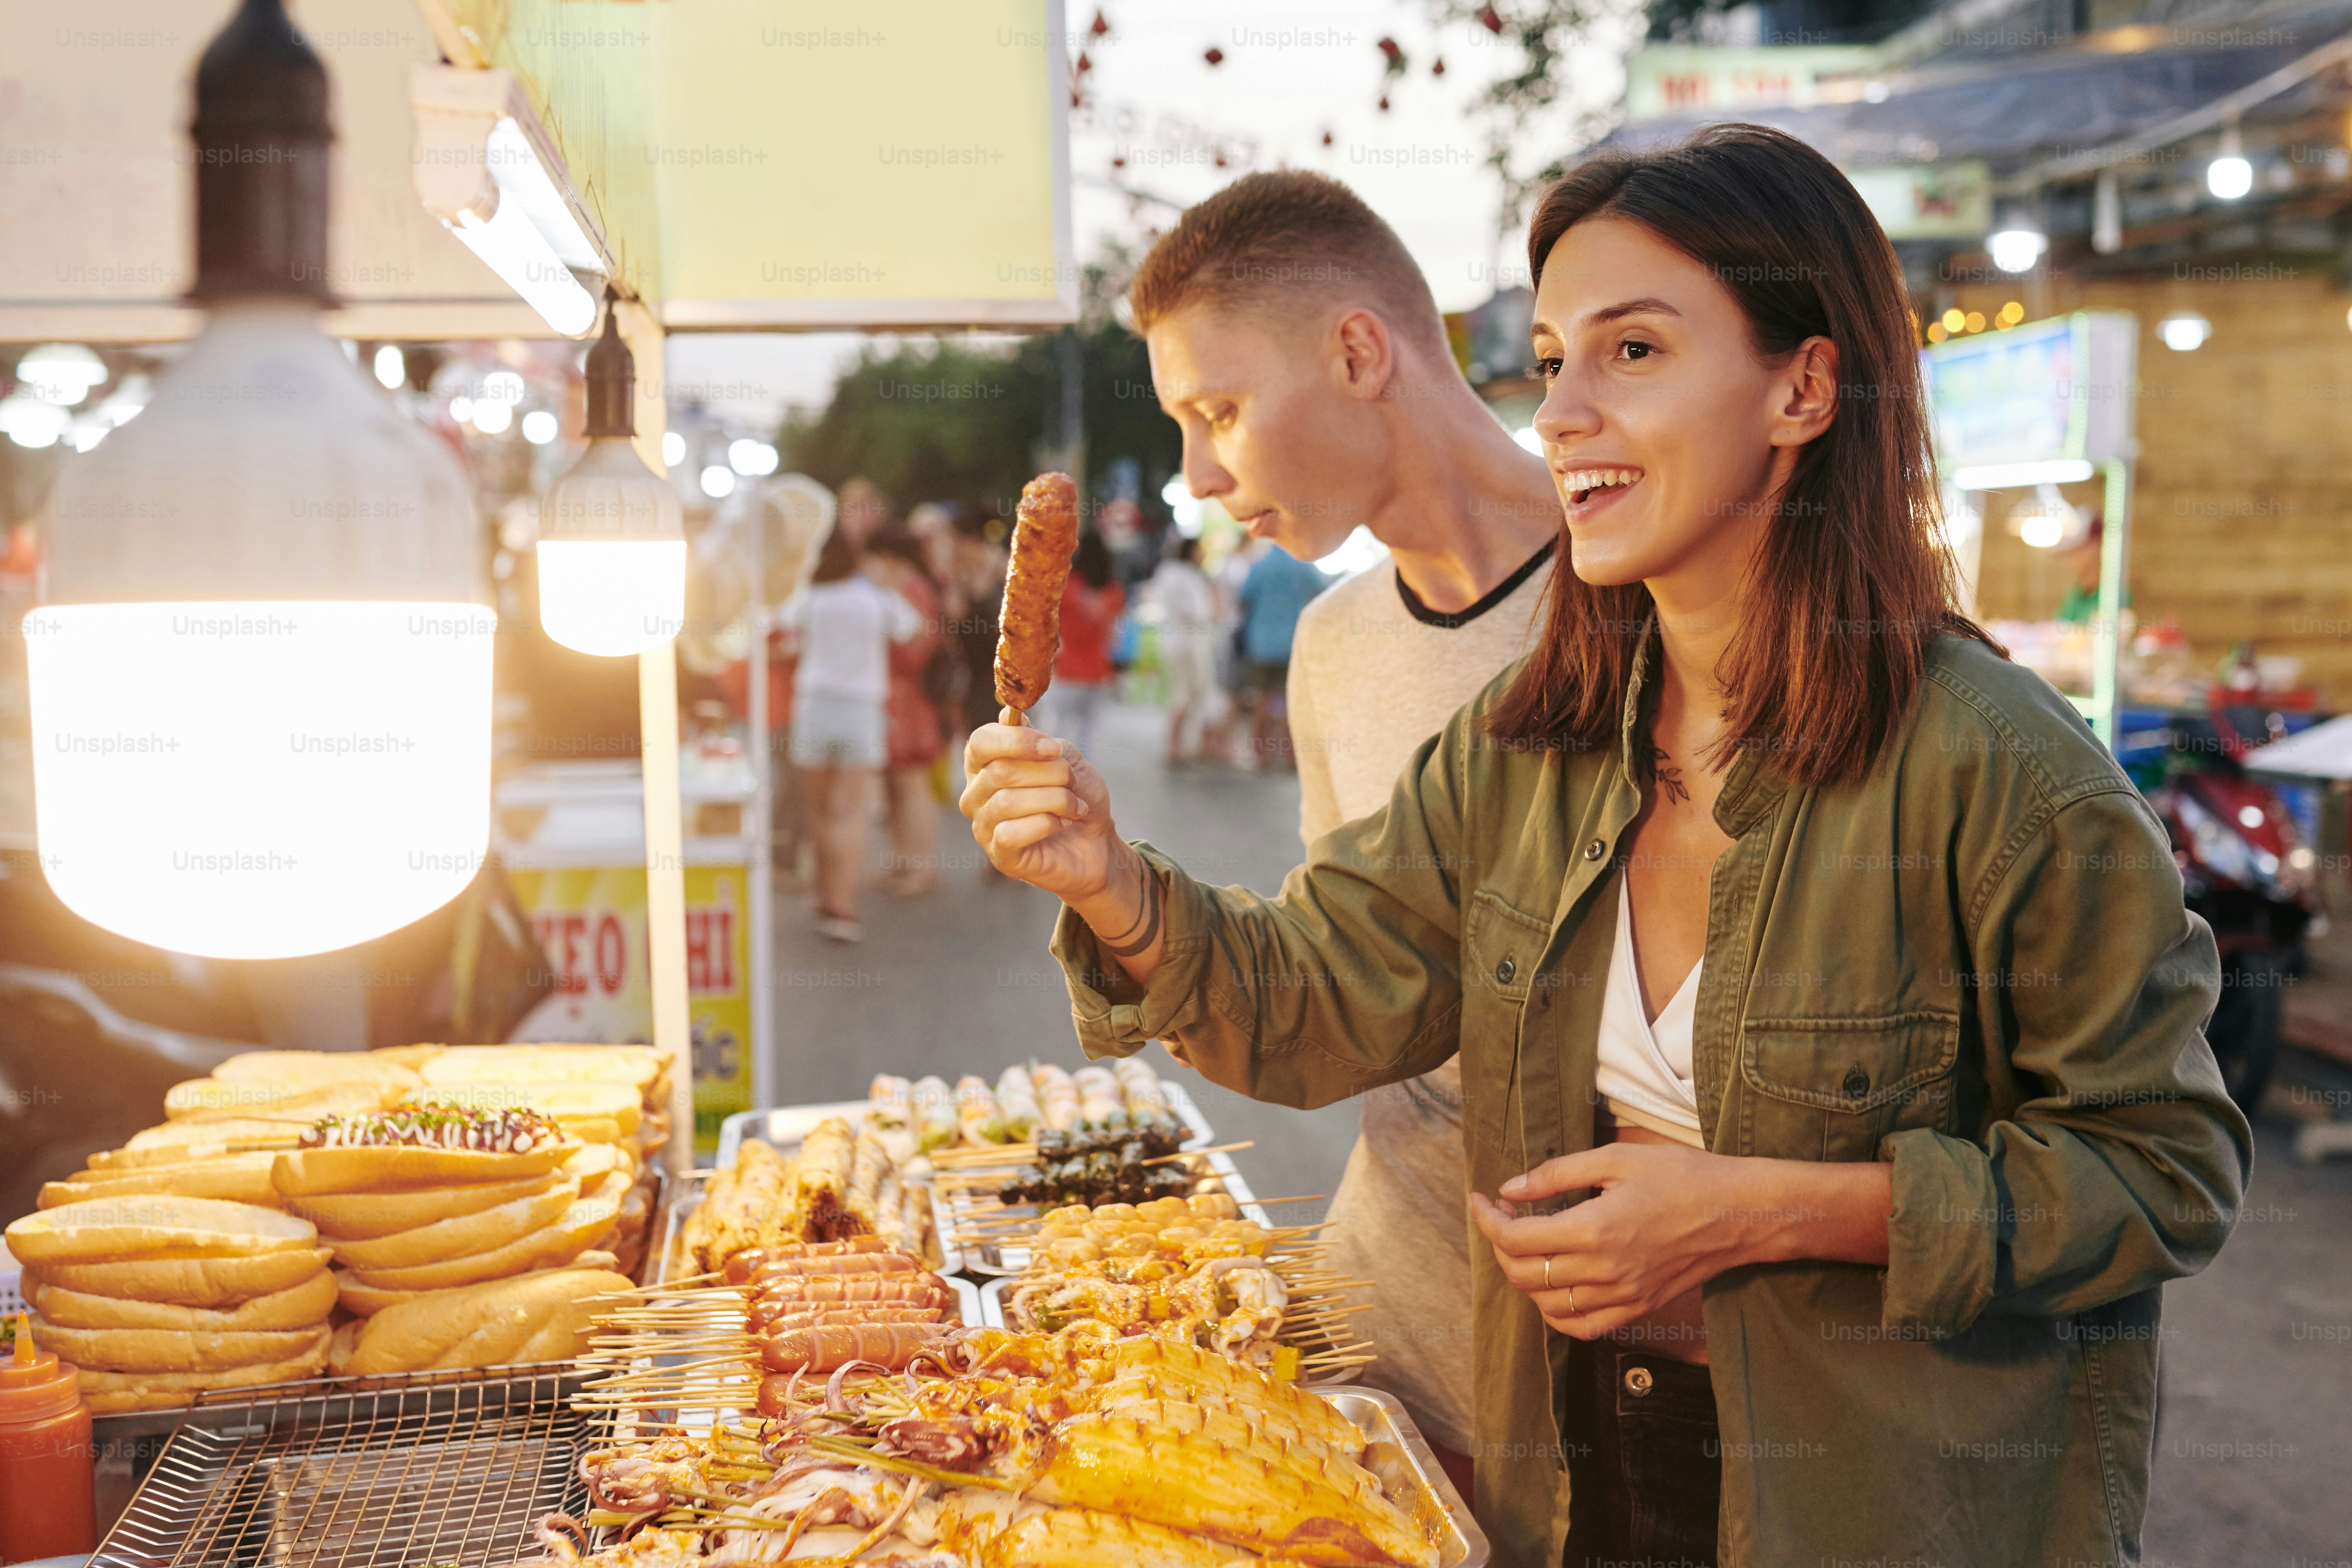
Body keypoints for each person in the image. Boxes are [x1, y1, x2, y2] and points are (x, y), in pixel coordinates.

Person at [962, 124, 2251, 1568]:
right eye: (1556, 356)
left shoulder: (2001, 773)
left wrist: (1765, 1209)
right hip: (1577, 1477)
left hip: (1871, 1504)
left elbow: (2160, 1167)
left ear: (1802, 386)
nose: (1562, 410)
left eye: (1631, 353)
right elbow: (1316, 992)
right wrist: (1112, 881)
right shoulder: (1532, 751)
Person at [1123, 166, 1566, 1485]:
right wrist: (1112, 890)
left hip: (1614, 1373)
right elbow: (1346, 975)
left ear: (1359, 351)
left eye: (1218, 411)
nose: (1198, 474)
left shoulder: (1651, 604)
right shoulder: (1329, 642)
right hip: (1377, 1323)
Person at [775, 524, 919, 943]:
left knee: (819, 811)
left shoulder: (809, 596)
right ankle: (842, 903)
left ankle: (825, 895)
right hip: (861, 710)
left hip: (815, 708)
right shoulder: (875, 598)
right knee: (852, 812)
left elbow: (779, 634)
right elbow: (914, 630)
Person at [863, 518, 950, 898]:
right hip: (898, 702)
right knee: (897, 786)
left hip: (909, 703)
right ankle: (904, 861)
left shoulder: (912, 590)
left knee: (913, 786)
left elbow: (917, 652)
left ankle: (920, 866)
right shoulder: (907, 588)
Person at [1233, 542, 1328, 769]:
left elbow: (1244, 599)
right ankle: (1290, 757)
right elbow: (1323, 594)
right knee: (1291, 702)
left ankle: (1260, 756)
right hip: (1292, 643)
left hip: (1261, 644)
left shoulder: (1260, 566)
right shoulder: (1303, 565)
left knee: (1261, 700)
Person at [1046, 528, 1124, 755]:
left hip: (1067, 668)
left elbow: (1050, 625)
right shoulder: (1113, 591)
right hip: (1098, 669)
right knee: (1089, 733)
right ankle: (1083, 781)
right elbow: (1114, 636)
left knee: (1057, 730)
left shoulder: (1066, 586)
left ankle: (1054, 780)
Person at [1147, 534, 1221, 764]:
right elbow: (1197, 612)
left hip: (1176, 642)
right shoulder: (1186, 576)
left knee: (1183, 694)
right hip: (1189, 643)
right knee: (1188, 694)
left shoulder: (1168, 573)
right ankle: (1180, 746)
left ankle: (1178, 745)